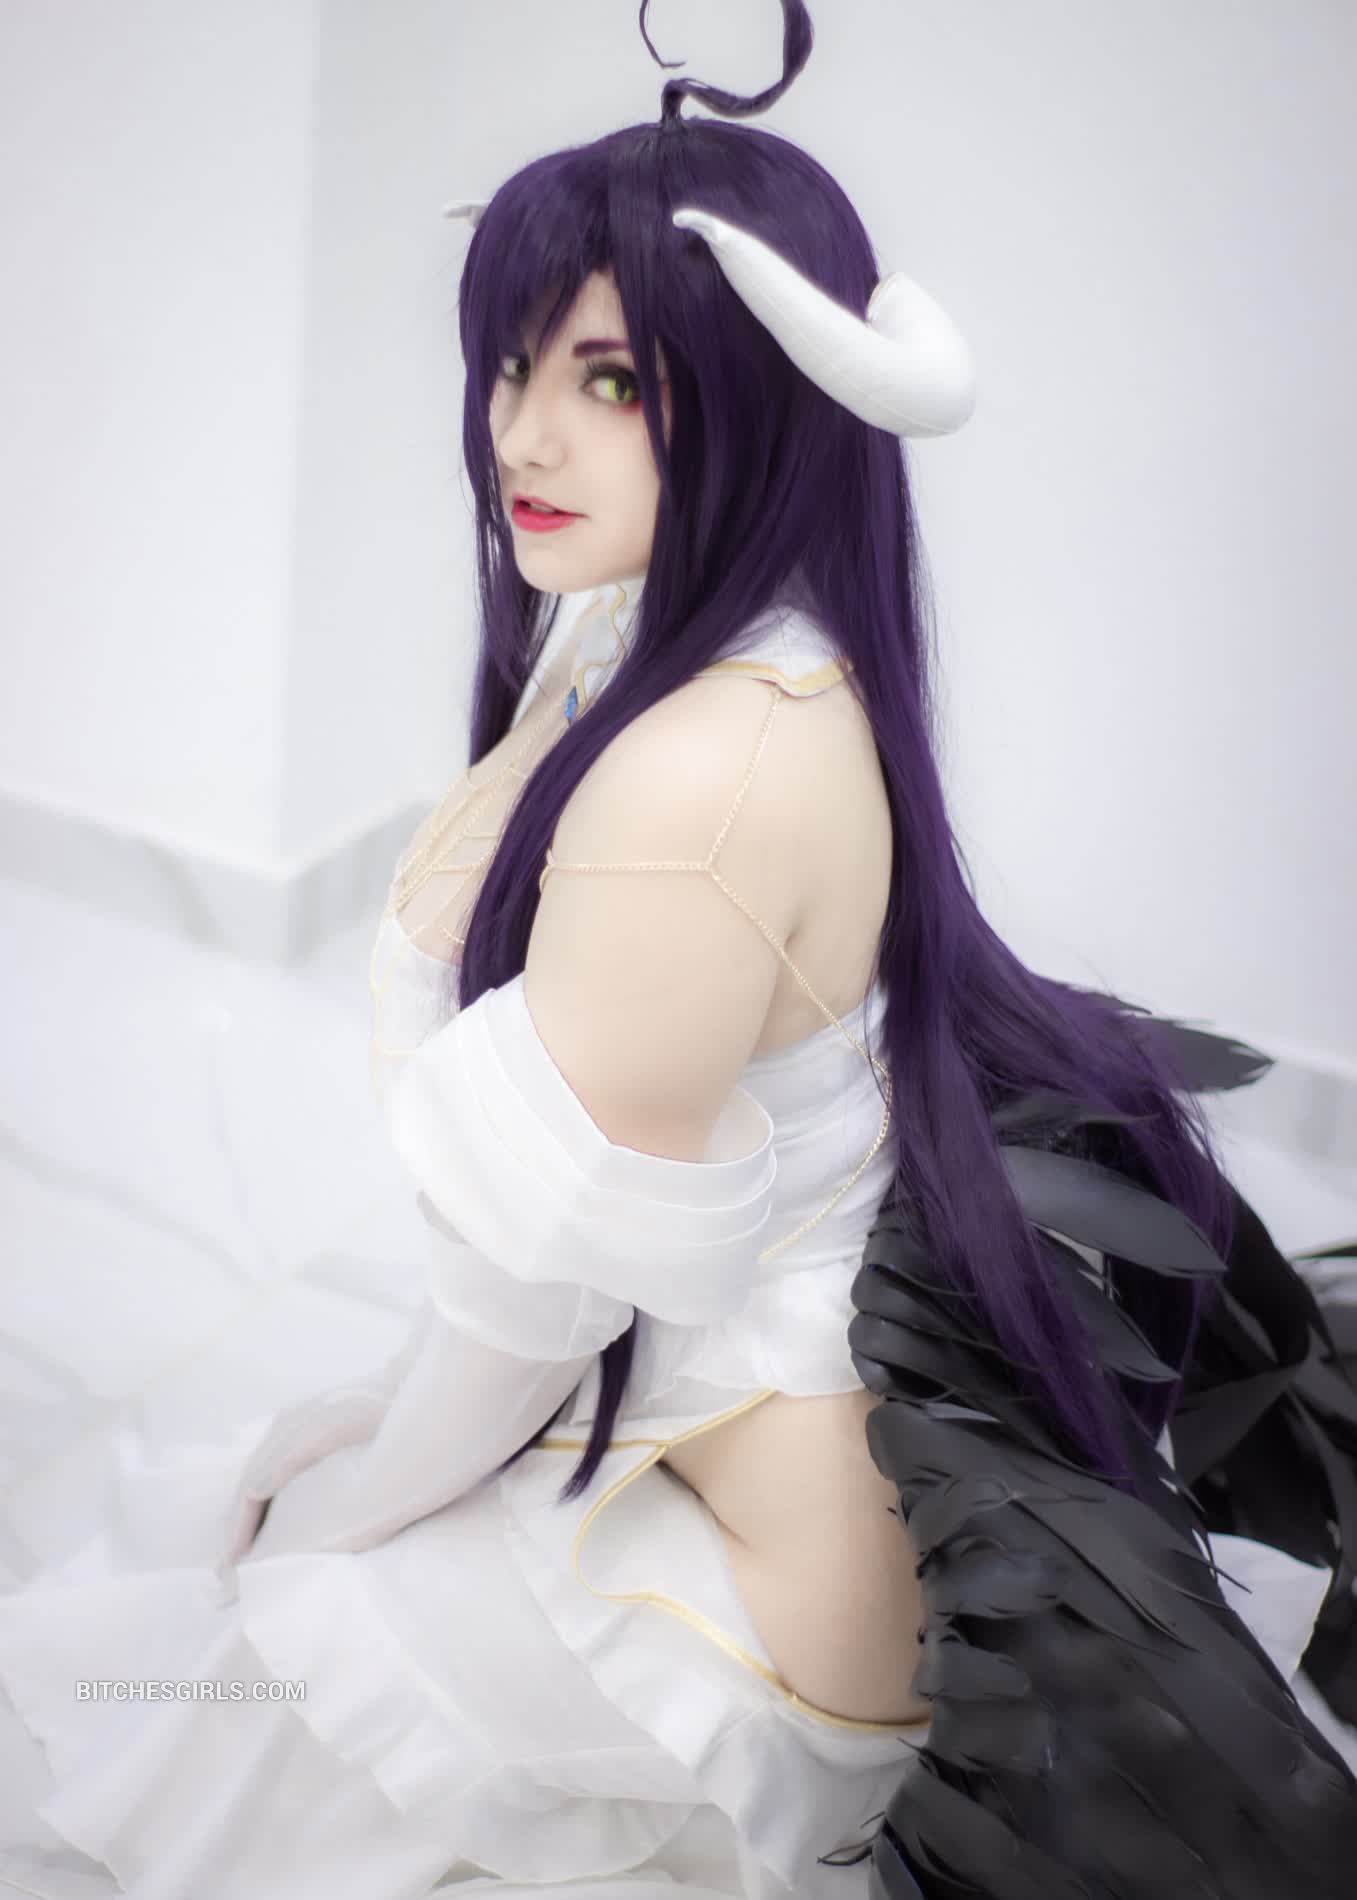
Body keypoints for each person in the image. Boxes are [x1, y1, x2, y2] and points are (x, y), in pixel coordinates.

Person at [2, 5, 1355, 1896]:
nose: (522, 434)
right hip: (715, 1436)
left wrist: (366, 1497)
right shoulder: (711, 638)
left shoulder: (699, 779)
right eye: (513, 363)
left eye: (614, 381)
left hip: (762, 1586)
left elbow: (539, 1295)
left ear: (767, 399)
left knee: (242, 1656)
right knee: (229, 1579)